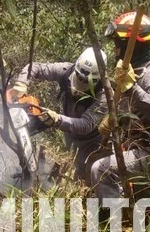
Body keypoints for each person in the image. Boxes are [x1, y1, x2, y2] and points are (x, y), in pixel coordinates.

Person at [91, 12, 150, 200]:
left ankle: (112, 217)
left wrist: (132, 87)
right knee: (148, 207)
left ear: (132, 45)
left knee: (101, 170)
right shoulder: (132, 71)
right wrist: (113, 120)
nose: (115, 49)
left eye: (118, 44)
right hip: (134, 147)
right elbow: (133, 111)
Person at [6, 48, 108, 182]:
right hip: (70, 133)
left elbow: (85, 125)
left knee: (88, 177)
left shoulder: (104, 95)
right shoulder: (65, 70)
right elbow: (36, 67)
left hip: (91, 142)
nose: (82, 82)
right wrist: (22, 83)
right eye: (79, 77)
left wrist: (57, 119)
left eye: (86, 80)